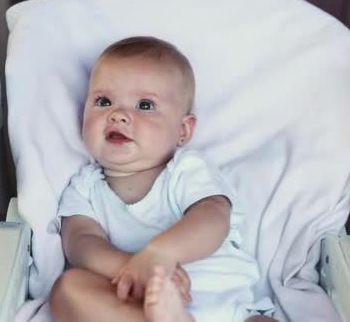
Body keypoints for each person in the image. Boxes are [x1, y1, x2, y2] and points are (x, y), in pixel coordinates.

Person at [49, 36, 275, 322]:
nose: (117, 115)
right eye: (103, 101)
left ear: (183, 131)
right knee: (68, 289)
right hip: (138, 304)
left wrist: (160, 255)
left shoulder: (186, 170)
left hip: (229, 310)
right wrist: (133, 268)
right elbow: (81, 243)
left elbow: (213, 218)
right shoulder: (84, 188)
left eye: (144, 105)